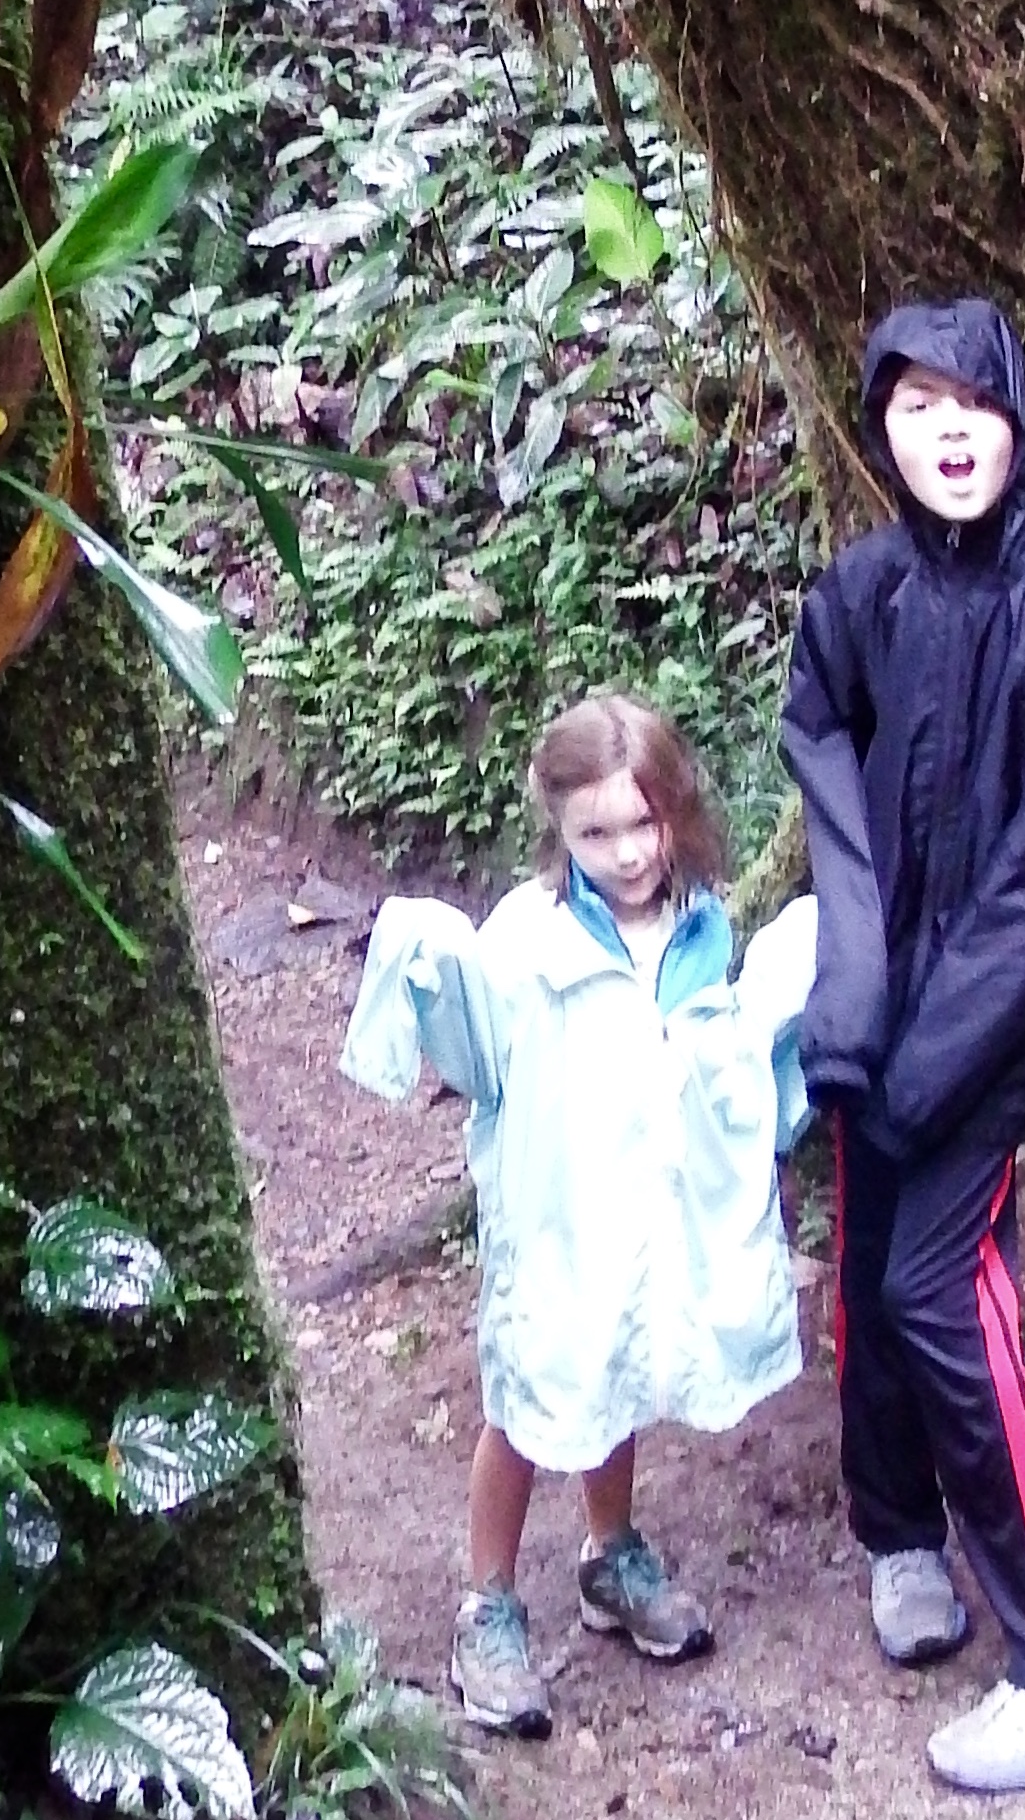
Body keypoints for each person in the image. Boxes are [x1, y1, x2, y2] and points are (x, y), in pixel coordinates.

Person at [781, 297, 1025, 1795]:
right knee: (869, 1264)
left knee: (938, 1289)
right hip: (883, 1013)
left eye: (971, 403)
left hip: (996, 1024)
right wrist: (856, 988)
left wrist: (936, 1039)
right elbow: (820, 733)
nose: (946, 432)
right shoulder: (866, 591)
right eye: (914, 405)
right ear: (879, 428)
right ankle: (899, 1534)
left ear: (1016, 412)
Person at [340, 689, 818, 1740]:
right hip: (557, 1216)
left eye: (643, 822)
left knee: (621, 1372)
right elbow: (482, 1055)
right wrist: (429, 960)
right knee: (528, 1398)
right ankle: (487, 1606)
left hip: (643, 1215)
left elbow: (713, 1053)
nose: (627, 851)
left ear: (674, 807)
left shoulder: (698, 926)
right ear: (555, 824)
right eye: (596, 833)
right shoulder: (529, 938)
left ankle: (610, 1554)